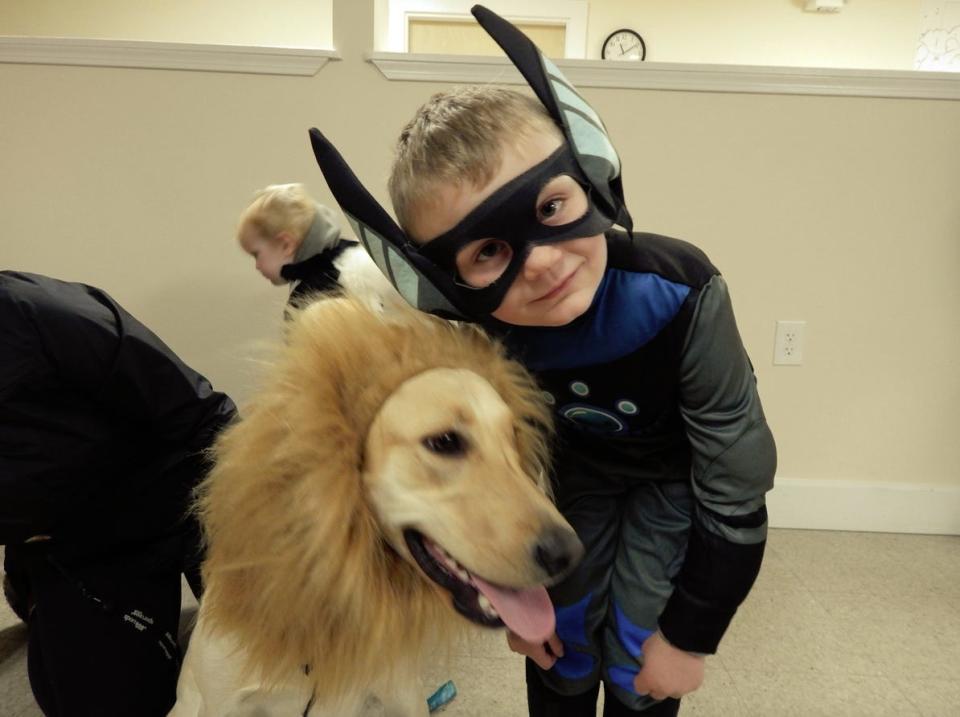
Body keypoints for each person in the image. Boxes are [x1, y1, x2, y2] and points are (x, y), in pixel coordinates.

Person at [307, 7, 776, 716]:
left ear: (591, 178)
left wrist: (690, 638)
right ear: (444, 285)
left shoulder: (680, 292)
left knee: (638, 641)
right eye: (489, 249)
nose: (544, 263)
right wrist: (513, 601)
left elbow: (735, 481)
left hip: (672, 478)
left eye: (552, 208)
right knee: (564, 634)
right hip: (567, 476)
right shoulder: (475, 336)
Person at [0, 271, 237, 717]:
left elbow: (203, 414)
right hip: (77, 541)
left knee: (261, 668)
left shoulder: (31, 313)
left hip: (186, 490)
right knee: (81, 699)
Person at [235, 182, 359, 306]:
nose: (257, 266)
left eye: (256, 255)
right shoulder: (355, 262)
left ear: (286, 245)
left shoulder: (313, 294)